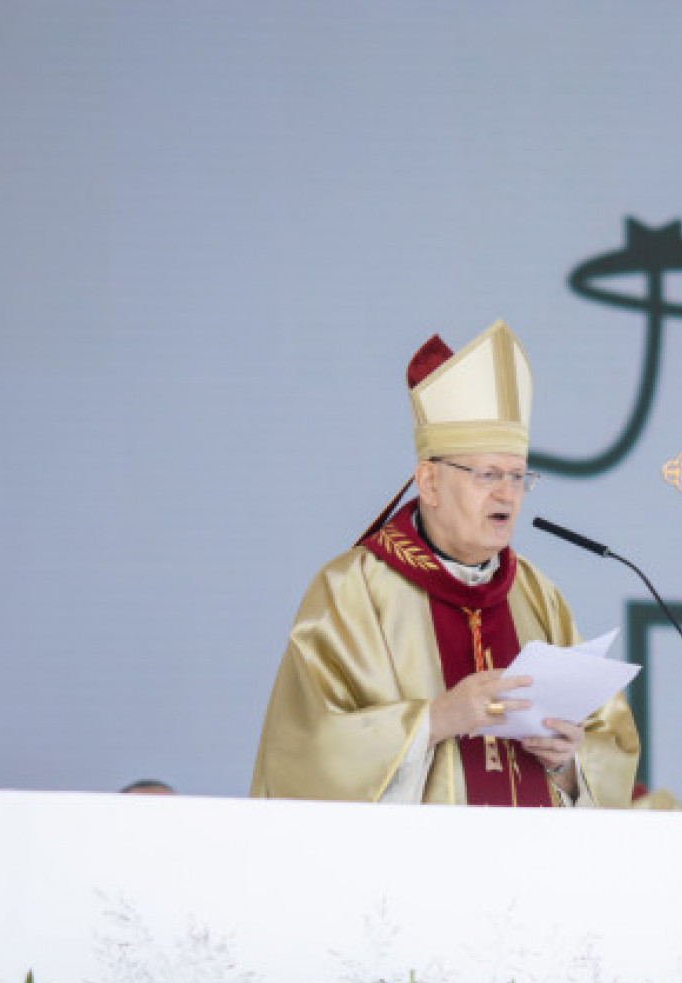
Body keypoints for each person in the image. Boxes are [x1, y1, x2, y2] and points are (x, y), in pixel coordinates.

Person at [249, 320, 640, 807]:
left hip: (533, 855)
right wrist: (435, 720)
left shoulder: (536, 594)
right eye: (488, 475)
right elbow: (302, 755)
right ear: (429, 483)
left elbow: (610, 745)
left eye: (519, 476)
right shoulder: (352, 591)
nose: (508, 495)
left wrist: (567, 763)